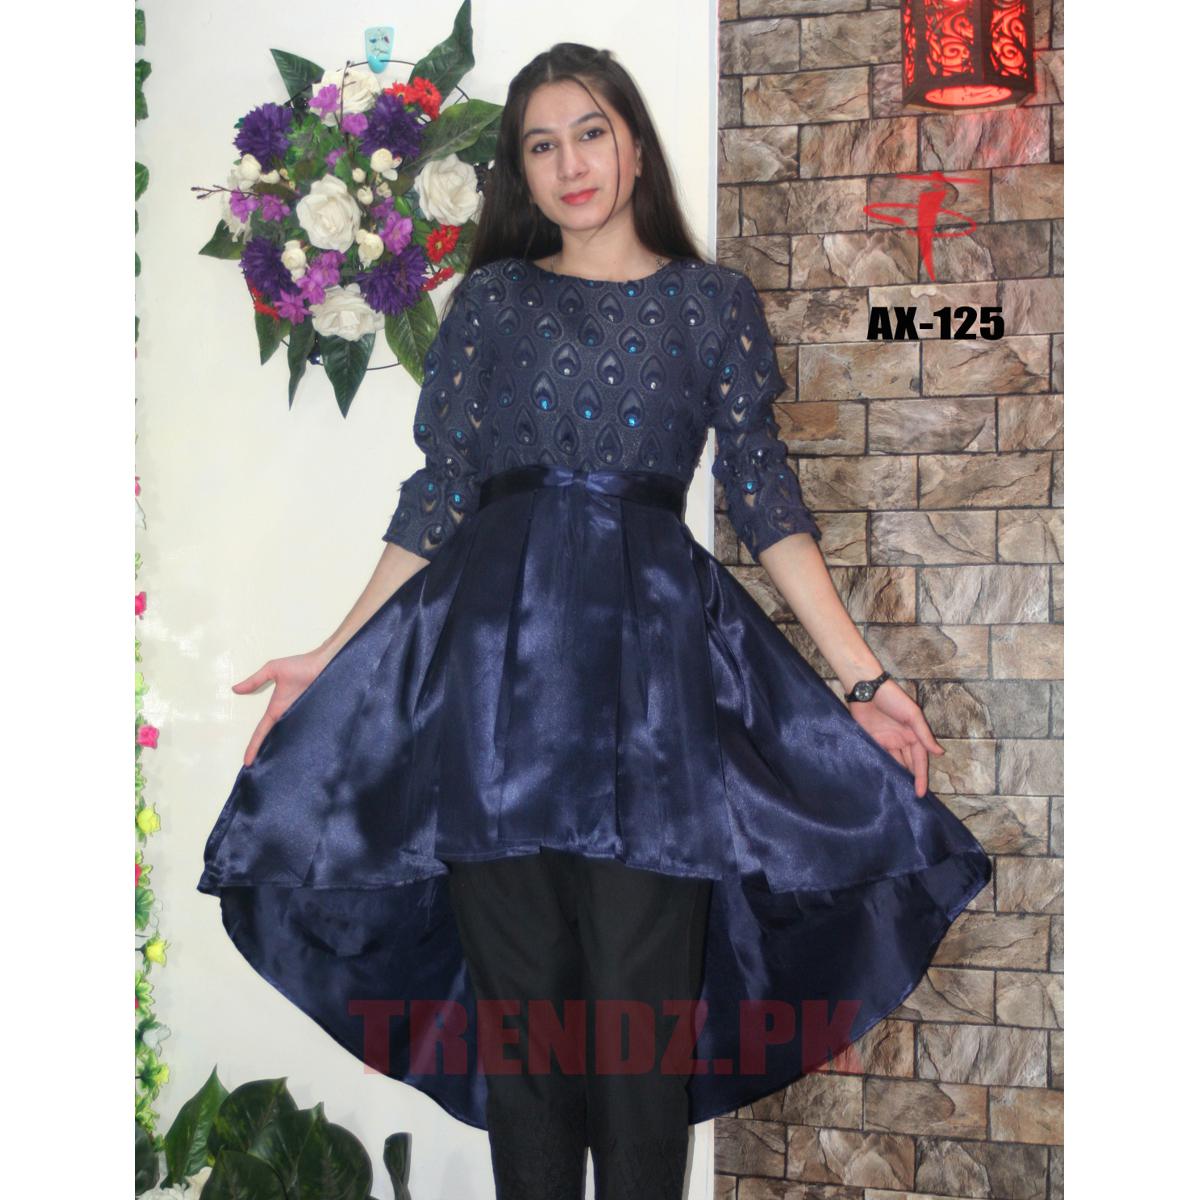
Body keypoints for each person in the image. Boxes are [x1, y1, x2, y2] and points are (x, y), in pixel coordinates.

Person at [198, 43, 992, 1200]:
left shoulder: (712, 304)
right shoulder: (492, 302)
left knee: (637, 1043)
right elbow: (439, 495)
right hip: (491, 689)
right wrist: (333, 655)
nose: (569, 162)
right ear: (522, 171)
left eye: (590, 132)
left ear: (633, 147)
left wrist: (865, 682)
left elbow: (766, 501)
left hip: (653, 692)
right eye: (541, 144)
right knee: (524, 1048)